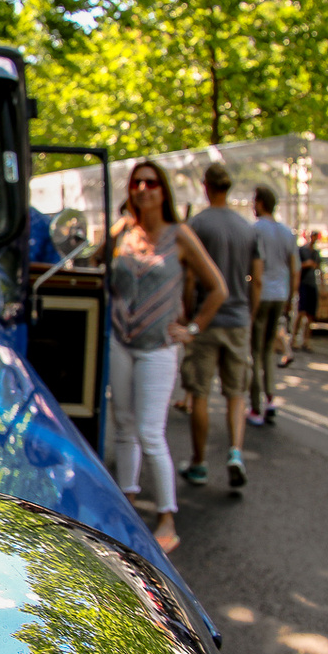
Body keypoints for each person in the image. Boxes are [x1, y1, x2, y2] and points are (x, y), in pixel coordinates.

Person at [101, 161, 228, 554]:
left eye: (151, 182)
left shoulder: (180, 235)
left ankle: (167, 517)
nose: (143, 188)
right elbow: (94, 268)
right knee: (122, 425)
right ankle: (126, 502)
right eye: (137, 182)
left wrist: (192, 329)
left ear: (163, 191)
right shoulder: (121, 231)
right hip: (121, 341)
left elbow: (218, 288)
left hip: (159, 347)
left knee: (150, 432)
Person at [183, 162, 261, 489]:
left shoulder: (198, 225)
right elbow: (256, 279)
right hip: (239, 318)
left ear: (206, 186)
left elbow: (189, 278)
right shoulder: (247, 228)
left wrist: (190, 318)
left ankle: (199, 463)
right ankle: (235, 452)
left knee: (199, 392)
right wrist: (250, 315)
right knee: (235, 393)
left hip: (207, 317)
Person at [248, 184, 297, 425]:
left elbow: (254, 273)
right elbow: (294, 268)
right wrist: (290, 299)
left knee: (256, 352)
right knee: (268, 350)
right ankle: (270, 399)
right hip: (280, 294)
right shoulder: (286, 232)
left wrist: (252, 303)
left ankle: (256, 407)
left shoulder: (256, 230)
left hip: (262, 294)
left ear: (260, 203)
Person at [288, 230, 322, 357]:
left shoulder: (316, 253)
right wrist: (306, 264)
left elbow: (319, 267)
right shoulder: (302, 250)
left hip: (312, 284)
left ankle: (306, 340)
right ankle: (294, 338)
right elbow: (295, 266)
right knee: (301, 312)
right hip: (303, 283)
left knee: (310, 315)